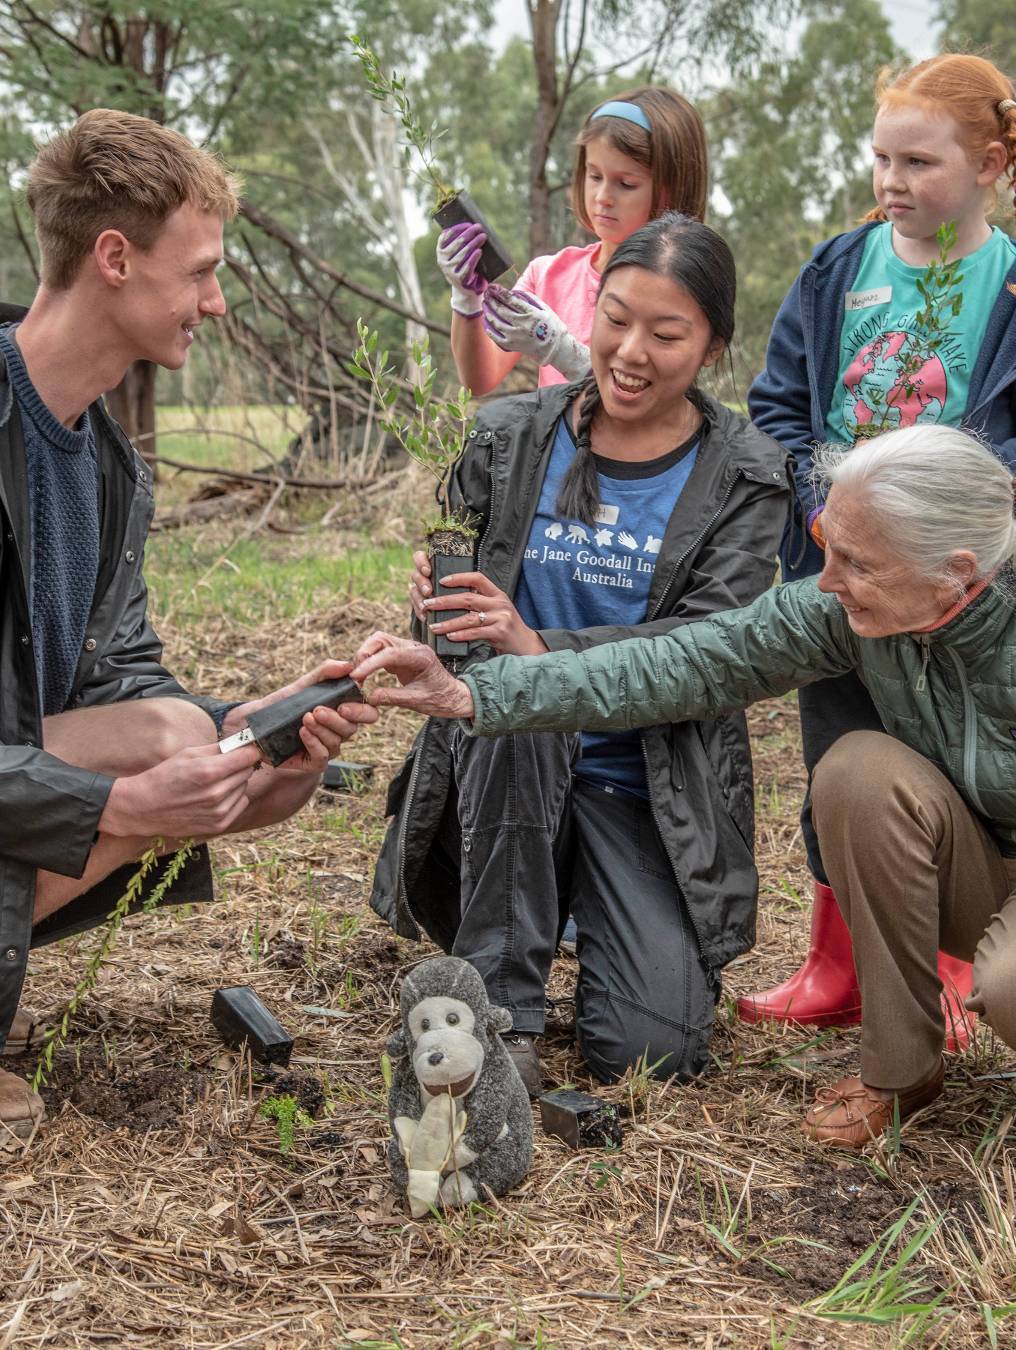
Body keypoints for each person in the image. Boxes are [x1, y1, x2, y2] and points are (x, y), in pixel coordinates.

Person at [354, 424, 1016, 1147]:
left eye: (856, 562)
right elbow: (692, 662)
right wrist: (474, 694)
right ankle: (901, 1073)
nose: (827, 581)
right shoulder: (860, 612)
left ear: (952, 571)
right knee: (859, 771)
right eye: (827, 543)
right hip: (982, 860)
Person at [0, 109, 373, 1152]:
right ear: (113, 257)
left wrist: (248, 724)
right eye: (201, 269)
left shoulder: (107, 465)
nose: (215, 300)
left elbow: (121, 681)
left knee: (214, 757)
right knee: (164, 762)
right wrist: (121, 798)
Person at [368, 213, 790, 1096]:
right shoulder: (506, 434)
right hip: (504, 779)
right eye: (616, 318)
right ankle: (502, 1010)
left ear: (713, 346)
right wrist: (434, 610)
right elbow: (459, 650)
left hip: (647, 785)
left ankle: (595, 917)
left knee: (652, 1054)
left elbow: (714, 653)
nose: (631, 351)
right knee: (518, 701)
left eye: (667, 333)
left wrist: (540, 643)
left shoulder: (746, 474)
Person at [743, 53, 1016, 1034]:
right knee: (840, 756)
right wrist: (828, 506)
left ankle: (951, 966)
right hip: (838, 567)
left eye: (919, 163)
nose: (892, 183)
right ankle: (834, 967)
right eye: (881, 159)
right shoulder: (837, 270)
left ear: (986, 164)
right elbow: (776, 410)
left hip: (961, 591)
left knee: (946, 769)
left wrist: (930, 494)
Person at [437, 87, 708, 396]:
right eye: (594, 176)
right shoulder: (549, 275)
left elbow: (653, 407)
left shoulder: (680, 289)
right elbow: (479, 380)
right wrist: (466, 299)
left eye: (626, 183)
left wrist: (564, 353)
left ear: (672, 189)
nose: (603, 197)